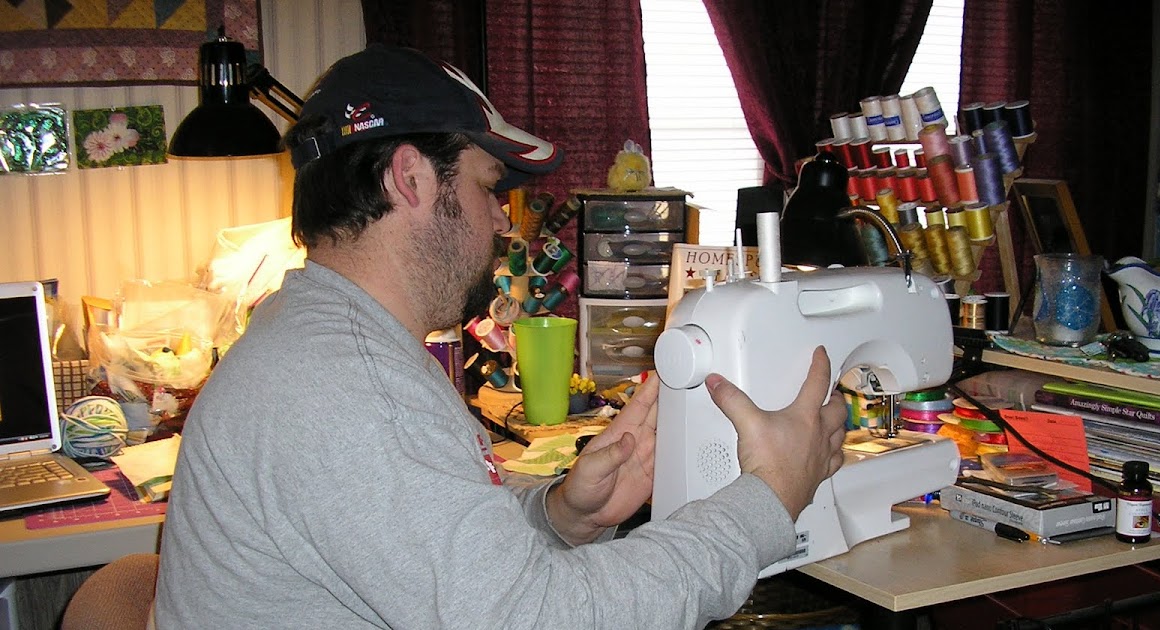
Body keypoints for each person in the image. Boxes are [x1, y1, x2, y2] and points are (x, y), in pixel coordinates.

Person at [154, 44, 847, 629]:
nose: (503, 222)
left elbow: (441, 544)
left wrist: (558, 517)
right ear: (412, 178)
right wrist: (768, 497)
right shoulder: (347, 381)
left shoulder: (337, 336)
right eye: (489, 187)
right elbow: (537, 619)